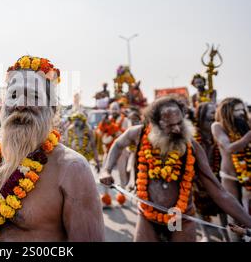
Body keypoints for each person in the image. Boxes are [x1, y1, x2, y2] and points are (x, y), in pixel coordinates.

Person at [0, 55, 105, 242]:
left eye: (34, 96)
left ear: (52, 108)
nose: (21, 104)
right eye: (13, 95)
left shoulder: (72, 168)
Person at [100, 96, 251, 242]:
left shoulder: (192, 147)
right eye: (170, 126)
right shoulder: (138, 133)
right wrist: (106, 169)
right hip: (147, 216)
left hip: (180, 219)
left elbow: (219, 193)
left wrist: (249, 222)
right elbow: (118, 144)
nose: (178, 129)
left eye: (180, 123)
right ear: (153, 124)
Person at [212, 97, 251, 241]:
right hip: (230, 177)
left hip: (249, 175)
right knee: (235, 215)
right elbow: (228, 148)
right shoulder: (217, 126)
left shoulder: (247, 123)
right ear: (227, 111)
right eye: (237, 110)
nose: (241, 113)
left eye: (243, 109)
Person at [192, 102, 229, 241]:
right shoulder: (194, 134)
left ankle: (226, 235)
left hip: (218, 175)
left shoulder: (219, 130)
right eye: (211, 112)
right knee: (200, 207)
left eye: (215, 112)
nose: (214, 115)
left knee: (223, 207)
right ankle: (205, 235)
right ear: (201, 116)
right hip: (199, 179)